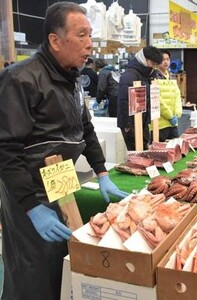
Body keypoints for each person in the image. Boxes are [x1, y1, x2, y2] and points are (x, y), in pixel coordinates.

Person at [0, 3, 129, 299]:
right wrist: (32, 207)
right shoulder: (20, 79)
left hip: (61, 178)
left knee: (62, 260)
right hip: (28, 193)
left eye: (90, 35)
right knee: (31, 270)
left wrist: (102, 171)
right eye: (81, 34)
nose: (89, 43)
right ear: (55, 41)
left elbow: (85, 128)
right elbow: (5, 150)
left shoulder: (72, 78)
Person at [117, 46, 163, 150]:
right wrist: (128, 126)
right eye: (152, 64)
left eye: (156, 65)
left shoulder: (147, 74)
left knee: (144, 150)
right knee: (136, 153)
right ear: (143, 59)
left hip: (143, 120)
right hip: (131, 123)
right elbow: (123, 101)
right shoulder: (130, 75)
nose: (154, 67)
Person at [155, 50, 182, 142]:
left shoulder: (171, 76)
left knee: (176, 149)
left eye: (168, 59)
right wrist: (169, 116)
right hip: (159, 123)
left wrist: (178, 112)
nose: (166, 62)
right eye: (163, 59)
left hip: (173, 124)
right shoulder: (153, 76)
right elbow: (157, 100)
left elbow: (177, 95)